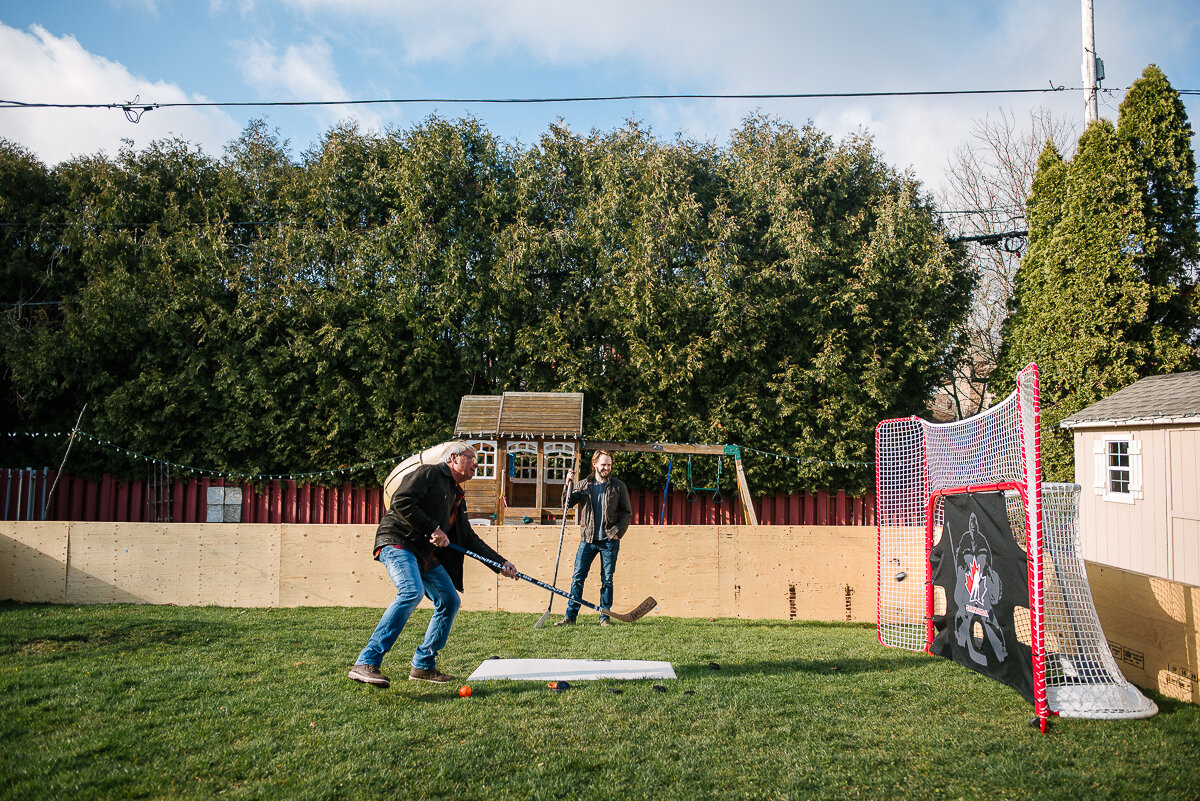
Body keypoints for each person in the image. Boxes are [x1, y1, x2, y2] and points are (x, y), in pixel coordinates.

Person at [349, 441, 517, 688]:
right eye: (472, 457)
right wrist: (433, 528)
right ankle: (366, 662)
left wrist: (499, 563)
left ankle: (424, 665)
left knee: (450, 601)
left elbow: (467, 538)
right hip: (398, 542)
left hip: (424, 554)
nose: (476, 464)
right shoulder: (428, 473)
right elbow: (402, 502)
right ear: (454, 458)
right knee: (411, 592)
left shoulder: (457, 495)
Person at [556, 450, 632, 627]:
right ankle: (570, 617)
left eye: (609, 465)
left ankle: (604, 617)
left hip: (609, 542)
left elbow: (627, 513)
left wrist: (616, 533)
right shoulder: (583, 485)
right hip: (588, 540)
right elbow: (566, 504)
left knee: (607, 579)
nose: (607, 468)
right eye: (603, 464)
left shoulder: (618, 486)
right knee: (577, 578)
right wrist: (568, 484)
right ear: (595, 464)